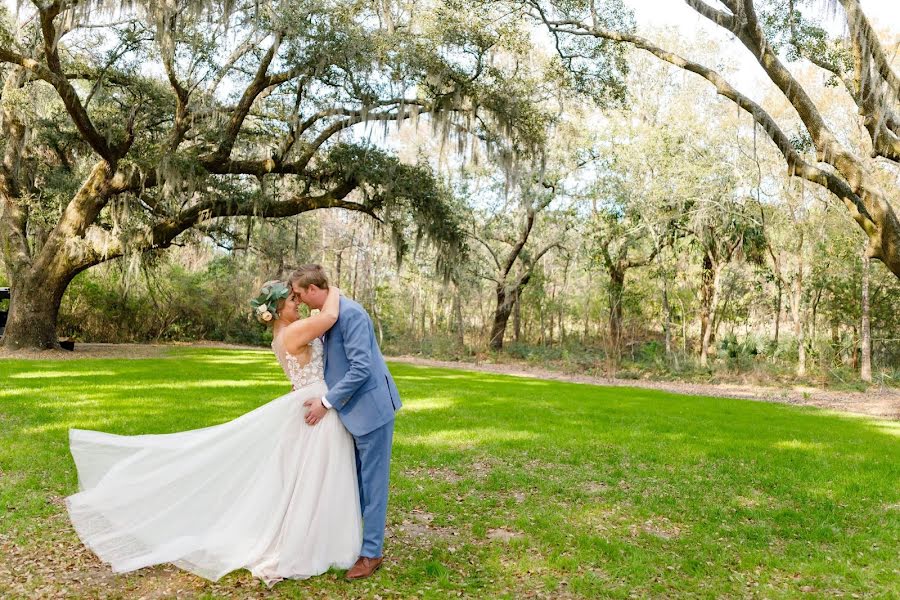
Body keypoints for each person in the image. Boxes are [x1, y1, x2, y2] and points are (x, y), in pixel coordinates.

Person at [65, 281, 362, 586]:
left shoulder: (280, 336)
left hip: (306, 399)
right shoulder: (295, 331)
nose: (297, 302)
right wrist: (334, 289)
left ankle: (315, 534)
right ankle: (312, 541)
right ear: (276, 310)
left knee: (309, 477)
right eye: (291, 300)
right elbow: (328, 318)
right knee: (315, 476)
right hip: (317, 406)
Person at [290, 264, 401, 580]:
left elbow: (361, 369)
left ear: (313, 289)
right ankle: (350, 542)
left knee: (373, 484)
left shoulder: (350, 314)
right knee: (353, 483)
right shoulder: (327, 315)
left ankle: (371, 554)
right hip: (348, 412)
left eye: (299, 293)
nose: (297, 300)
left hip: (371, 410)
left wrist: (326, 403)